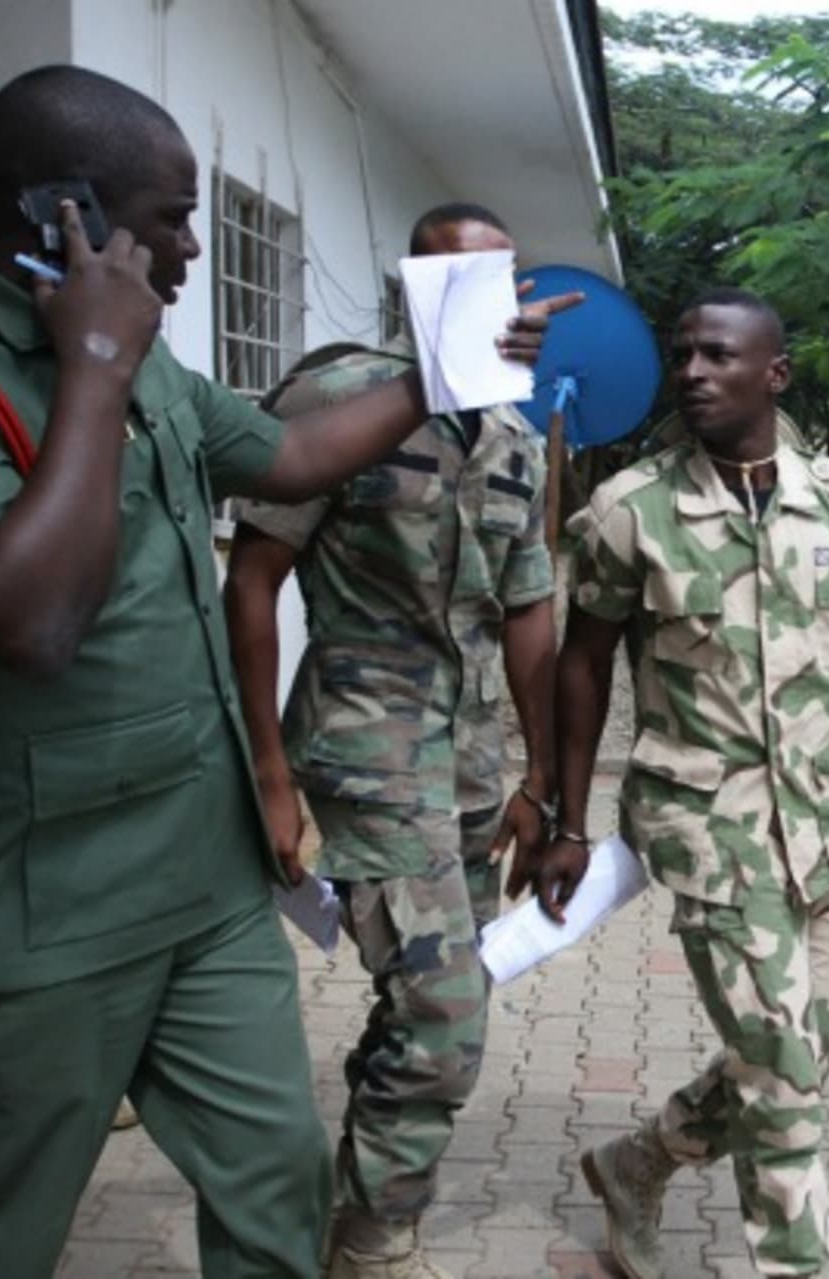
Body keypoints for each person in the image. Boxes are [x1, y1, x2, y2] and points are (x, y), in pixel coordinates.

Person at [0, 66, 560, 1278]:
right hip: (31, 908)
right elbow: (32, 621)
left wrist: (445, 373)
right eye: (168, 217)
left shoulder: (145, 360)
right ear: (66, 209)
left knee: (275, 1172)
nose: (193, 248)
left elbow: (289, 453)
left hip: (198, 880)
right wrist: (98, 366)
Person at [531, 287, 829, 1279]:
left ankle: (641, 1160)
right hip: (709, 833)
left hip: (825, 827)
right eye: (683, 354)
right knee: (786, 1079)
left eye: (719, 355)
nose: (692, 372)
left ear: (777, 373)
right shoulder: (631, 510)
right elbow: (582, 663)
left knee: (812, 1046)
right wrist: (565, 814)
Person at [224, 200, 574, 1278]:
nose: (484, 295)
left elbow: (528, 620)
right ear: (409, 287)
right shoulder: (336, 400)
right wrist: (268, 776)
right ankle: (372, 1242)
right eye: (453, 275)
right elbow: (251, 583)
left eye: (498, 275)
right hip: (362, 754)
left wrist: (546, 784)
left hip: (468, 771)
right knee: (446, 1007)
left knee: (420, 996)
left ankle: (354, 1187)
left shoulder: (515, 432)